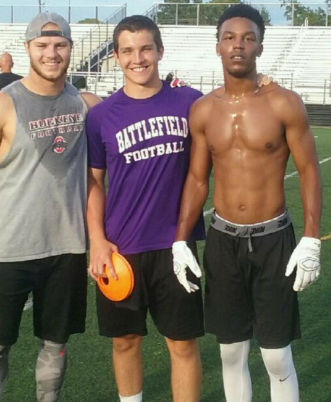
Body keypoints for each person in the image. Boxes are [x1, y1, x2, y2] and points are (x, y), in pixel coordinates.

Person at [173, 4, 323, 402]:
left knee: (276, 357)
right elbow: (196, 178)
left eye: (248, 38)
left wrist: (312, 239)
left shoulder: (284, 103)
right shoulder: (203, 109)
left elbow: (309, 171)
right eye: (229, 38)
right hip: (223, 242)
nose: (238, 45)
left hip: (274, 241)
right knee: (230, 352)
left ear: (260, 46)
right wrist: (179, 239)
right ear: (218, 46)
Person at [0, 11, 101, 402]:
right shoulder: (0, 105)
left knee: (56, 346)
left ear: (70, 49)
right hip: (9, 250)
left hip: (67, 250)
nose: (52, 53)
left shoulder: (88, 105)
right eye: (43, 46)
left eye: (60, 45)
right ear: (28, 49)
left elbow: (140, 110)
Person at [85, 15, 208, 402]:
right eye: (127, 51)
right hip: (120, 250)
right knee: (124, 342)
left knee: (183, 344)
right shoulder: (101, 116)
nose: (137, 58)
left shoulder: (190, 102)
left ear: (159, 51)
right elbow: (93, 183)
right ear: (117, 57)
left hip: (176, 246)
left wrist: (262, 83)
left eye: (145, 49)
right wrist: (98, 241)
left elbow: (234, 106)